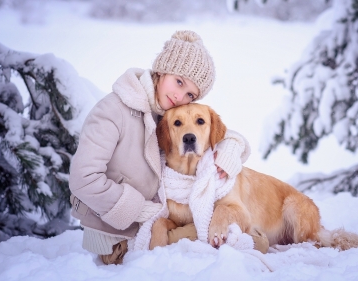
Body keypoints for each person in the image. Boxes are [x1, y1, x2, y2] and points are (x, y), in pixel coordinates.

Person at [69, 30, 254, 265]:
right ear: (161, 70)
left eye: (190, 94)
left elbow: (205, 128)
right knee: (245, 241)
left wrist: (230, 147)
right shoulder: (112, 111)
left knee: (233, 232)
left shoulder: (164, 113)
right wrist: (138, 209)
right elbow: (82, 179)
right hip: (119, 237)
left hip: (157, 222)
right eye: (178, 82)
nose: (179, 96)